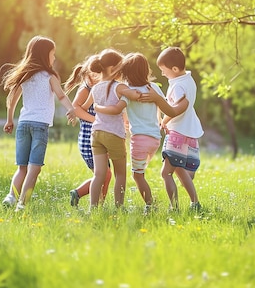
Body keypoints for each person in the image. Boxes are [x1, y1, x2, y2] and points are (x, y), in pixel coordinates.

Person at [94, 52, 188, 214]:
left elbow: (120, 109)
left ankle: (150, 206)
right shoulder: (154, 89)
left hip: (139, 141)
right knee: (144, 172)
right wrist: (160, 121)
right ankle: (167, 205)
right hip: (155, 140)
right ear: (146, 70)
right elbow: (164, 109)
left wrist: (100, 109)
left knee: (138, 176)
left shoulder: (128, 92)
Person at [0, 35, 76, 211]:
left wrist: (9, 119)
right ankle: (22, 205)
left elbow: (11, 100)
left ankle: (11, 196)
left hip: (24, 123)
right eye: (52, 54)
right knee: (35, 168)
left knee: (22, 168)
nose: (54, 57)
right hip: (40, 125)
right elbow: (61, 95)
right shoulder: (49, 76)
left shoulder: (24, 76)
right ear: (44, 55)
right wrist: (71, 109)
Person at [143, 47, 204, 211]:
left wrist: (165, 118)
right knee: (178, 170)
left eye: (164, 70)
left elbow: (178, 108)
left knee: (166, 173)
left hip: (177, 133)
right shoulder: (189, 81)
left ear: (175, 69)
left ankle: (174, 207)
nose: (162, 74)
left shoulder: (177, 86)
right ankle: (195, 203)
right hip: (188, 131)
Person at [85, 49, 140, 210]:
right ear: (113, 68)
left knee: (98, 174)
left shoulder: (95, 88)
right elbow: (135, 95)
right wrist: (132, 94)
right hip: (113, 134)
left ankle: (93, 208)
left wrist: (97, 107)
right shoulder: (119, 87)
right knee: (120, 174)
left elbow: (86, 106)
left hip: (96, 134)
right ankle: (119, 207)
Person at [63, 55, 112, 207]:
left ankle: (98, 204)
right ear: (89, 74)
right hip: (88, 140)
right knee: (104, 175)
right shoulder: (85, 89)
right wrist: (96, 120)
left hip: (100, 138)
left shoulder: (101, 87)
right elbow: (76, 108)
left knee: (106, 176)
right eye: (97, 74)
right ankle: (80, 194)